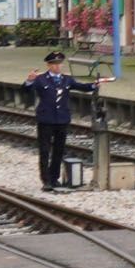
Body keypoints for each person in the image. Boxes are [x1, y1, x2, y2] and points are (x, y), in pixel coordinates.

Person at [23, 52, 112, 191]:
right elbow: (26, 90)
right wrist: (29, 80)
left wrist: (94, 85)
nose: (58, 67)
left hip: (62, 119)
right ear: (49, 65)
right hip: (46, 119)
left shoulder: (66, 79)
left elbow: (81, 87)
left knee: (59, 150)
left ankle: (54, 178)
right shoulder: (41, 79)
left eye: (59, 64)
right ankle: (46, 180)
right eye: (55, 64)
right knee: (45, 150)